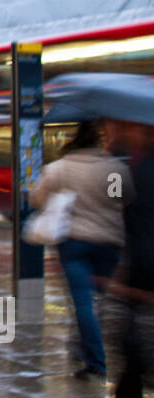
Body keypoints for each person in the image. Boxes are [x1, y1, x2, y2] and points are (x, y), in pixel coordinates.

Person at [31, 119, 133, 379]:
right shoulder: (113, 169)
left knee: (82, 302)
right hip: (109, 243)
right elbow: (120, 198)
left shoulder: (59, 169)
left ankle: (96, 361)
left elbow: (37, 199)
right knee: (95, 301)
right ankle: (83, 346)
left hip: (74, 242)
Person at [96, 123, 154, 398]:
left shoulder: (139, 170)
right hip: (141, 267)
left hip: (143, 268)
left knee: (130, 342)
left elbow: (122, 208)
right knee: (130, 342)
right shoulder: (136, 165)